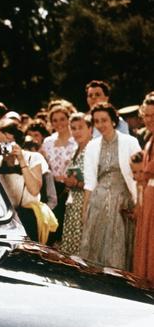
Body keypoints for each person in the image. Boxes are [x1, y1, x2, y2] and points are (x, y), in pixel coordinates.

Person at [79, 103, 140, 271]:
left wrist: (138, 203)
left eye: (104, 120)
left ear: (113, 121)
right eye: (97, 121)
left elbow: (138, 176)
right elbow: (89, 181)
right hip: (98, 201)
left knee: (118, 246)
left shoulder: (130, 142)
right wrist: (86, 211)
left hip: (122, 201)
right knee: (96, 246)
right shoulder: (92, 145)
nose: (101, 125)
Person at [0, 120, 56, 243]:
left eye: (7, 143)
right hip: (5, 218)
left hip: (28, 216)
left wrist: (21, 161)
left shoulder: (33, 157)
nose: (3, 147)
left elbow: (34, 190)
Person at [40, 102, 78, 244]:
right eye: (54, 120)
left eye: (62, 119)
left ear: (68, 119)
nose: (59, 123)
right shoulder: (48, 141)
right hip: (52, 188)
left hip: (70, 189)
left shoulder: (75, 140)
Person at [59, 113, 93, 255]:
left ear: (90, 129)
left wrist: (78, 183)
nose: (77, 132)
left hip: (86, 202)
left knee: (83, 245)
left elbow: (95, 181)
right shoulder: (75, 151)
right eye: (73, 128)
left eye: (80, 128)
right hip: (73, 203)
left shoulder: (93, 149)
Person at [132, 93, 154, 284]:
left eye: (153, 116)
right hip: (148, 198)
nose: (149, 120)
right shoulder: (148, 141)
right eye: (146, 115)